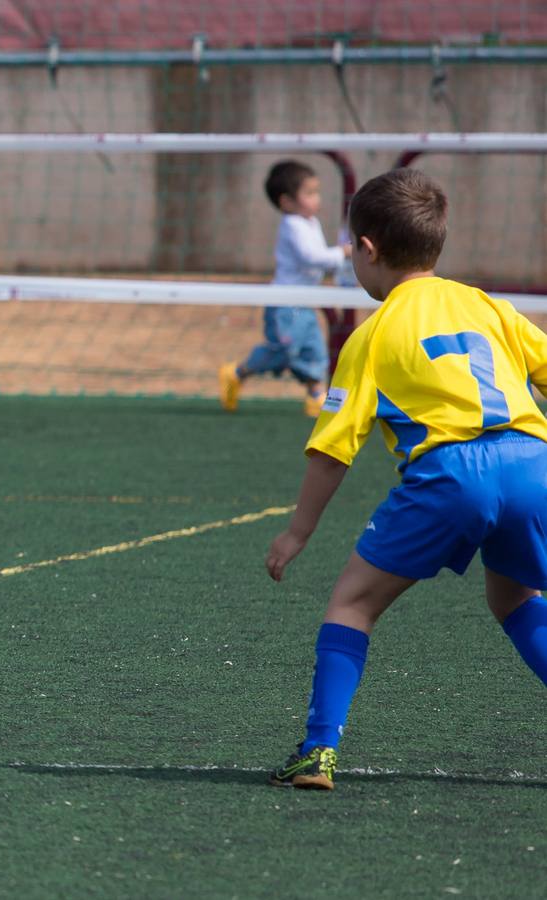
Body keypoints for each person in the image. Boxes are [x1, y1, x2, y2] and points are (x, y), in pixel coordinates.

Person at [263, 169, 547, 789]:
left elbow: (334, 449)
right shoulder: (487, 305)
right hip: (532, 461)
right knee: (516, 597)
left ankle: (317, 752)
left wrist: (297, 532)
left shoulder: (371, 335)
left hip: (451, 474)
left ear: (366, 249)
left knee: (352, 603)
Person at [220, 160, 351, 416]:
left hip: (304, 302)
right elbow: (311, 257)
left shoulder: (310, 223)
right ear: (287, 202)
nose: (317, 199)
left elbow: (320, 260)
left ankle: (316, 395)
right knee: (285, 351)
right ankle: (237, 372)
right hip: (285, 303)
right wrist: (343, 253)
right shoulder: (292, 225)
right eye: (310, 193)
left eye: (317, 192)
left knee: (314, 348)